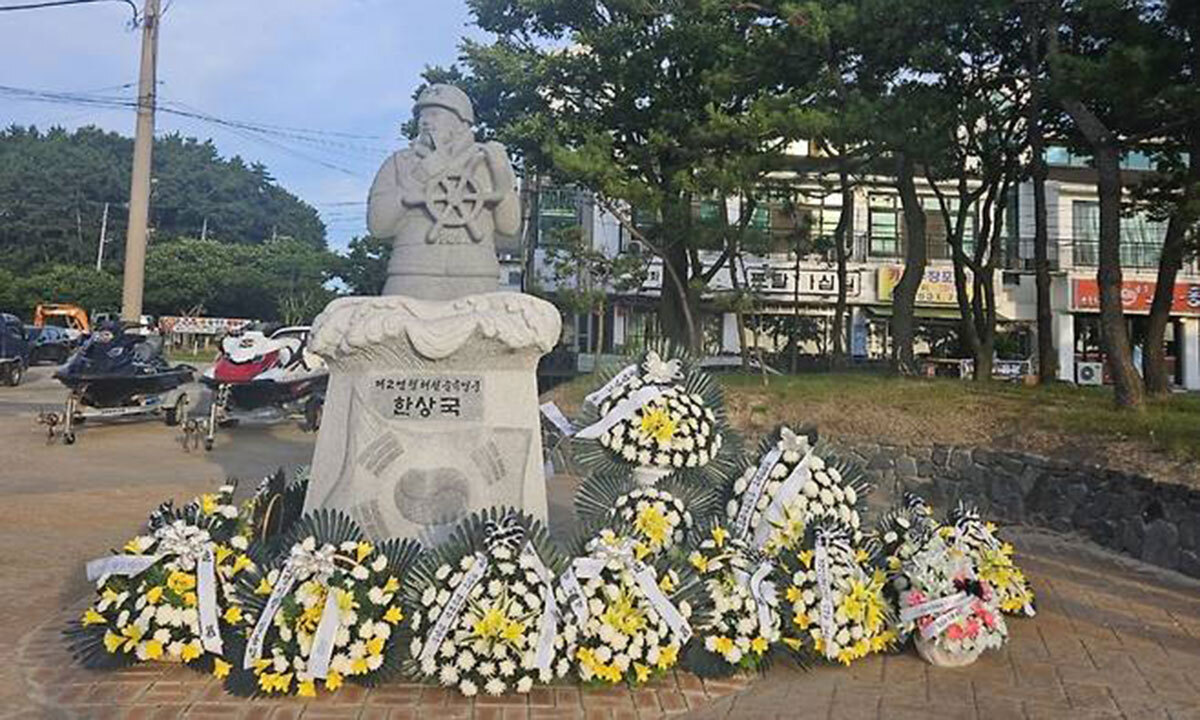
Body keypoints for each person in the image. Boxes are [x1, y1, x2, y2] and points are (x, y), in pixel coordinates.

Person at [367, 84, 520, 300]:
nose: (425, 121)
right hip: (410, 275)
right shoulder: (399, 164)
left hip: (476, 276)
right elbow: (379, 226)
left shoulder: (489, 163)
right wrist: (422, 175)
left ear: (461, 122)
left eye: (434, 114)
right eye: (421, 116)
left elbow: (509, 227)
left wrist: (500, 171)